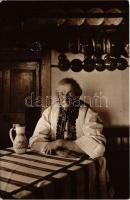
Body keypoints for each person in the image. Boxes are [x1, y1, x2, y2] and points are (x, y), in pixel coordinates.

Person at [29, 78, 106, 158]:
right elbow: (35, 141)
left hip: (80, 160)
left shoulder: (88, 113)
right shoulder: (49, 112)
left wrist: (61, 143)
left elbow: (97, 145)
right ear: (58, 95)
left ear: (77, 95)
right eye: (62, 94)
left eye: (69, 93)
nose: (65, 97)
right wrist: (49, 145)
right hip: (54, 158)